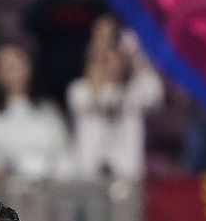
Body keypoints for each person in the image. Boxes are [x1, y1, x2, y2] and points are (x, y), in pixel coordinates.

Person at [0, 41, 72, 180]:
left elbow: (64, 154)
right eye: (4, 65)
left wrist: (53, 172)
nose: (10, 69)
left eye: (15, 63)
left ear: (28, 67)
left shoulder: (47, 111)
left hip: (39, 192)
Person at [67, 17, 163, 180]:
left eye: (115, 56)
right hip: (89, 177)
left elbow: (155, 94)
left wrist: (136, 55)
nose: (110, 63)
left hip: (128, 177)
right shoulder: (79, 90)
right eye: (105, 58)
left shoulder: (133, 92)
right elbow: (95, 100)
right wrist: (96, 61)